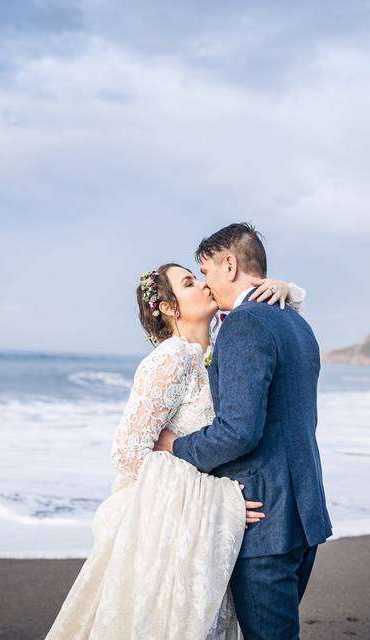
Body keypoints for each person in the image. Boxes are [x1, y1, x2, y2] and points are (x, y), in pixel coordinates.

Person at [44, 253, 306, 639]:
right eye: (188, 283)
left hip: (208, 531)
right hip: (171, 526)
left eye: (199, 278)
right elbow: (128, 453)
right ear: (168, 308)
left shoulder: (219, 347)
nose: (203, 284)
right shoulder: (171, 359)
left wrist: (285, 290)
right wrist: (217, 498)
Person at [154, 223, 332, 639]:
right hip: (304, 512)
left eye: (206, 271)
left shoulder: (243, 325)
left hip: (264, 519)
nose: (205, 284)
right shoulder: (297, 323)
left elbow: (238, 431)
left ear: (229, 264)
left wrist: (177, 447)